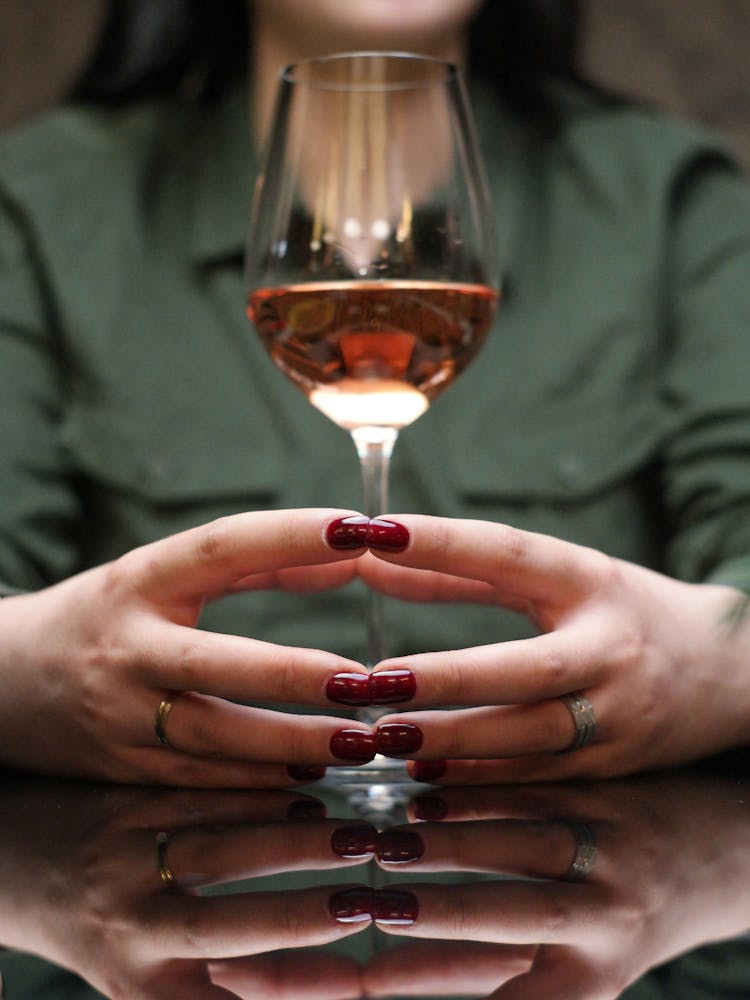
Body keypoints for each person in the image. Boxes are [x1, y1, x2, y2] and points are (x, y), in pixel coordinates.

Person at [1, 0, 750, 787]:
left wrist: (716, 671)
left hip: (573, 877)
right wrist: (32, 675)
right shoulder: (43, 204)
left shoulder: (671, 202)